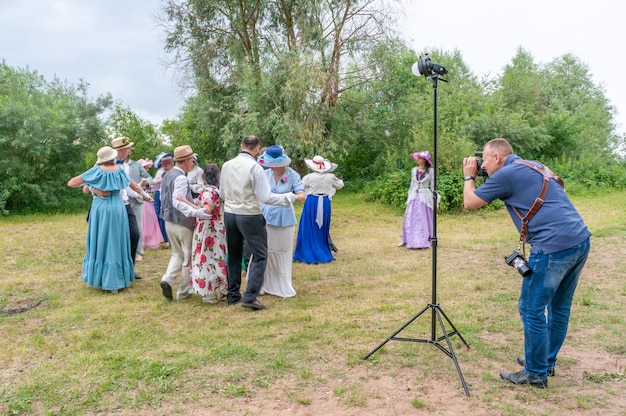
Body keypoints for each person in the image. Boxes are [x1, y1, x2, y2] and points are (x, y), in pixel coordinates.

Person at [463, 138, 591, 389]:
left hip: (553, 246)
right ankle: (545, 360)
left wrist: (469, 177)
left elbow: (470, 203)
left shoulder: (507, 173)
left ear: (497, 157)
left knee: (531, 308)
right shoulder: (532, 165)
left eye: (485, 161)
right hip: (579, 240)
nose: (483, 166)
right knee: (559, 307)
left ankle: (535, 372)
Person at [220, 135, 303, 310]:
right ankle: (250, 295)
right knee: (260, 254)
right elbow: (266, 197)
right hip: (249, 214)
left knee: (234, 254)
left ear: (241, 146)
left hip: (229, 213)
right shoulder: (255, 168)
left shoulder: (226, 165)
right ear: (257, 148)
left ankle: (233, 294)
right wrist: (290, 196)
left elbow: (222, 193)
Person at [68, 146, 147, 292]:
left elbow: (72, 183)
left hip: (101, 207)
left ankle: (102, 278)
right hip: (118, 206)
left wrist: (94, 188)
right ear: (113, 157)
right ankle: (117, 279)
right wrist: (147, 197)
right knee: (117, 241)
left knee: (102, 239)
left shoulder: (96, 171)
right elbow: (135, 186)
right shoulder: (119, 171)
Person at [159, 145, 211, 301]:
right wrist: (196, 212)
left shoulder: (167, 175)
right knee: (188, 257)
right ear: (187, 161)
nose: (193, 162)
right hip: (182, 222)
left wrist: (193, 201)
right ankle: (183, 291)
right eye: (192, 160)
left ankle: (167, 279)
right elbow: (177, 201)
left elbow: (165, 198)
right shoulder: (181, 177)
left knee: (177, 253)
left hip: (168, 221)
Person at [257, 145, 306, 297]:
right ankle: (263, 283)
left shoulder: (293, 175)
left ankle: (281, 284)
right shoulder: (264, 174)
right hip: (266, 216)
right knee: (266, 251)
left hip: (284, 218)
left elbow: (302, 194)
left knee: (283, 251)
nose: (273, 168)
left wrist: (294, 196)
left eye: (275, 165)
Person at [177, 163, 228, 304]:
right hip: (216, 225)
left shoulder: (208, 191)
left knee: (205, 258)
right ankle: (223, 287)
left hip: (207, 228)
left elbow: (206, 211)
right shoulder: (216, 190)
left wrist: (186, 202)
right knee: (218, 255)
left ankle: (209, 292)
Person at [293, 155, 344, 264]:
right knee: (322, 226)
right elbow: (339, 185)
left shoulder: (308, 177)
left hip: (312, 202)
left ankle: (307, 251)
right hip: (324, 202)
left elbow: (300, 188)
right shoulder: (331, 177)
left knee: (308, 225)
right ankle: (322, 249)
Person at [398, 151, 436, 249]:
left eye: (420, 158)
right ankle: (410, 239)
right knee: (411, 217)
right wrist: (409, 197)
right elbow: (412, 185)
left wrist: (436, 201)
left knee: (424, 218)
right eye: (418, 158)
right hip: (414, 196)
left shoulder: (431, 171)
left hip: (425, 197)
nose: (418, 160)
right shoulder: (414, 170)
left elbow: (433, 186)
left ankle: (425, 240)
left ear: (424, 160)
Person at [126, 144, 153, 262]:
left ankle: (139, 251)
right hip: (122, 199)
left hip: (138, 199)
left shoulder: (137, 165)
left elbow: (149, 177)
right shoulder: (116, 165)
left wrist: (146, 183)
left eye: (129, 150)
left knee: (138, 225)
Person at [138, 158, 164, 250]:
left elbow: (153, 185)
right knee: (145, 221)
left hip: (149, 200)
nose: (147, 169)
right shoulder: (140, 178)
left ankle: (148, 241)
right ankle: (143, 242)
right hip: (143, 201)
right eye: (145, 168)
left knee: (151, 221)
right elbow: (152, 183)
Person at [153, 153, 174, 247]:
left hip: (173, 200)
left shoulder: (175, 174)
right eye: (163, 166)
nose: (164, 167)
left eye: (166, 165)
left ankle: (172, 240)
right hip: (163, 199)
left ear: (171, 164)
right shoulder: (163, 173)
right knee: (163, 219)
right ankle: (166, 239)